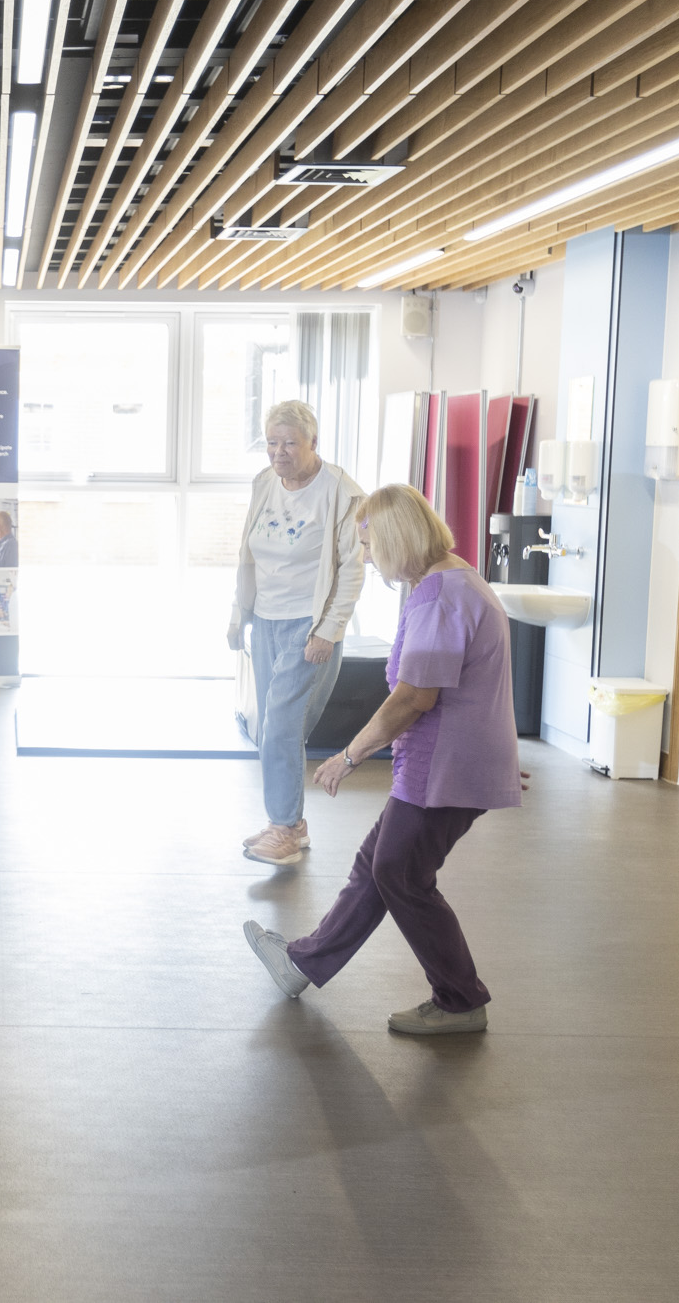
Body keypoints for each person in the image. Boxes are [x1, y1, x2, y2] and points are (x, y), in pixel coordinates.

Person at [243, 483, 524, 1036]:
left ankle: (460, 1000)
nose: (367, 559)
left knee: (400, 874)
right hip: (447, 763)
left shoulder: (441, 596)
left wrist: (348, 756)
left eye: (368, 545)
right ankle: (302, 963)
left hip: (440, 770)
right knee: (380, 866)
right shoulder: (453, 581)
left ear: (396, 537)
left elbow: (414, 698)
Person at [228, 400, 366, 866]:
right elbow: (248, 554)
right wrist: (239, 615)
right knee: (273, 726)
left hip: (310, 625)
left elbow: (352, 569)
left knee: (283, 724)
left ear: (313, 442)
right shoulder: (264, 483)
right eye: (271, 442)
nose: (279, 452)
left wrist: (330, 629)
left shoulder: (342, 492)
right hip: (265, 620)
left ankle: (283, 827)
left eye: (289, 443)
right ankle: (292, 825)